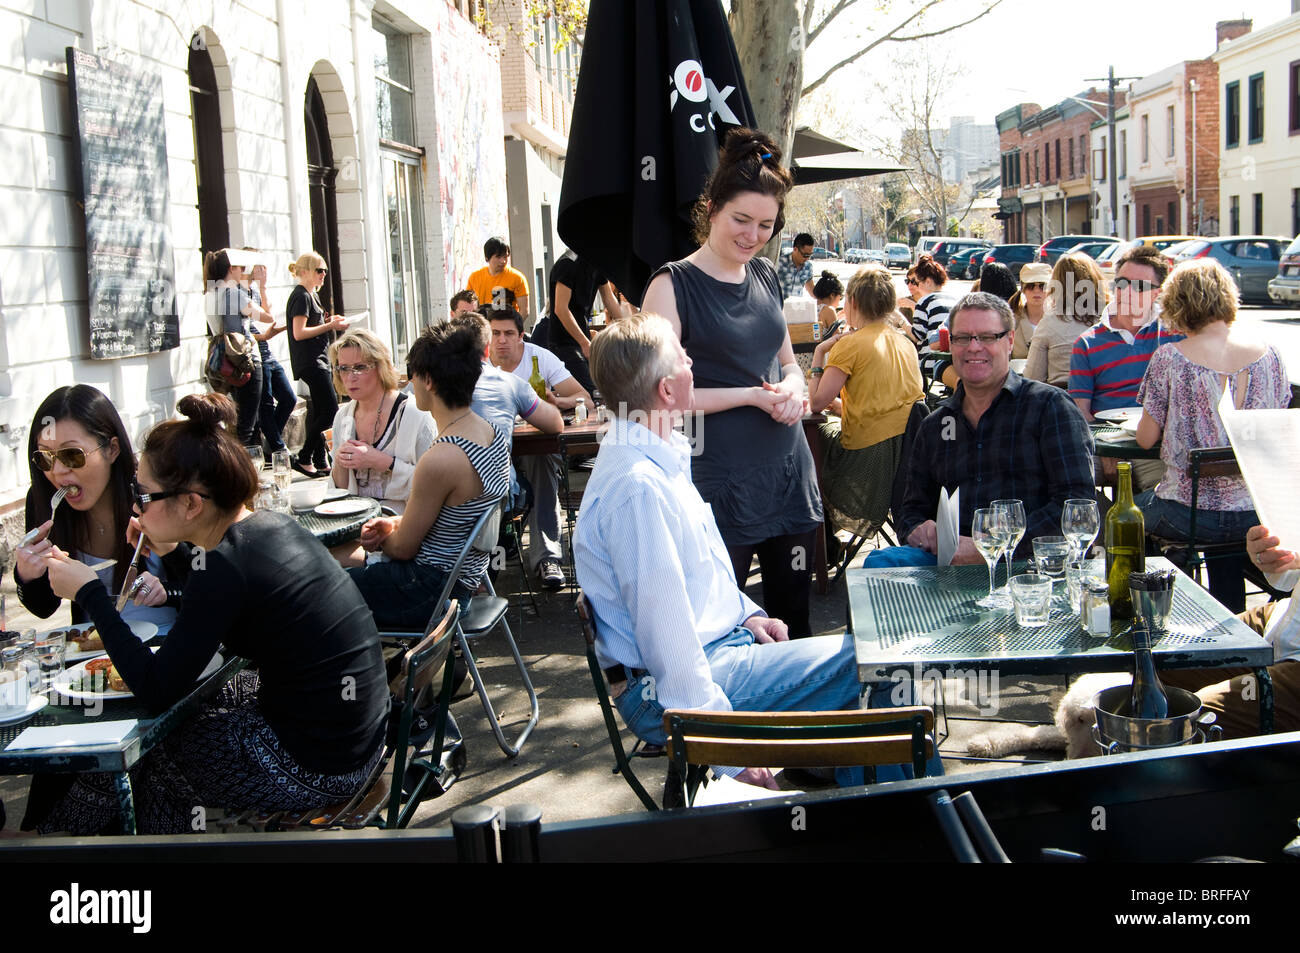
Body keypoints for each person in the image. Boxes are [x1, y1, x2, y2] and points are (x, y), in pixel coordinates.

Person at [37, 393, 388, 834]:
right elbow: (223, 602)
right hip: (360, 741)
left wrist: (90, 594)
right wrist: (175, 559)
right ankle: (62, 836)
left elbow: (154, 688)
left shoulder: (224, 564)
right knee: (203, 704)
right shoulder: (267, 527)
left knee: (152, 747)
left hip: (321, 768)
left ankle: (59, 841)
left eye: (142, 493)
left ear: (191, 504)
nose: (135, 505)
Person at [575, 312, 861, 792]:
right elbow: (665, 634)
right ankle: (918, 821)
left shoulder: (654, 455)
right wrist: (724, 746)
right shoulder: (637, 487)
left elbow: (700, 572)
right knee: (877, 666)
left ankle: (882, 809)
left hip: (707, 656)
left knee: (875, 675)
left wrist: (746, 615)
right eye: (682, 357)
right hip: (670, 688)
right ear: (667, 391)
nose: (691, 361)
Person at [641, 128, 823, 639]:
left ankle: (800, 719)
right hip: (719, 484)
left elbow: (787, 362)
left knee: (795, 626)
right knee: (723, 629)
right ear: (712, 208)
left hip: (788, 475)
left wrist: (791, 386)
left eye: (766, 225)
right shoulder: (670, 285)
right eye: (741, 219)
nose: (752, 235)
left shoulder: (765, 276)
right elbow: (660, 398)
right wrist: (749, 396)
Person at [869, 291, 1096, 567]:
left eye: (988, 337)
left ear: (1010, 341)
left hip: (1031, 566)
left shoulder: (1051, 409)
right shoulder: (934, 426)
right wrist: (920, 530)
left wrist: (990, 547)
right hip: (949, 566)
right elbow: (910, 510)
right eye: (963, 338)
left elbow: (1077, 507)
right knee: (879, 566)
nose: (974, 347)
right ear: (950, 345)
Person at [1134, 259, 1291, 612]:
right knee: (1228, 540)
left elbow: (1145, 440)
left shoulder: (1169, 358)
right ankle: (1231, 616)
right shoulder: (1271, 356)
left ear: (1177, 304)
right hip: (1256, 514)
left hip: (1186, 513)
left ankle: (1153, 608)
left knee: (1124, 514)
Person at [347, 320, 512, 629]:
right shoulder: (490, 434)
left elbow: (404, 549)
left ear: (429, 381)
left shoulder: (441, 458)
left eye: (413, 376)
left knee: (317, 590)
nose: (409, 385)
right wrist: (394, 523)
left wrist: (384, 540)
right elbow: (454, 518)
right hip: (460, 583)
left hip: (427, 592)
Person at [14, 386, 183, 637]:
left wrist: (166, 589)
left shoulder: (152, 494)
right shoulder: (43, 502)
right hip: (93, 655)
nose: (58, 471)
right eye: (46, 458)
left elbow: (204, 585)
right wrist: (26, 576)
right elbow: (44, 609)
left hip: (168, 646)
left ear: (112, 449)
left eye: (72, 455)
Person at [808, 266, 925, 539]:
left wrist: (819, 352)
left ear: (854, 303)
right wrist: (840, 407)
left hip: (866, 461)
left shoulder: (849, 345)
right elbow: (884, 403)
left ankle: (823, 538)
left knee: (809, 437)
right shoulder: (905, 343)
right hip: (904, 460)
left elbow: (815, 402)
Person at [1156, 525, 1300, 738]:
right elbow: (1286, 577)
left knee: (1198, 719)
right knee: (1159, 662)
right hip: (1283, 620)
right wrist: (1269, 554)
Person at [488, 307, 592, 588]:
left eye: (509, 333)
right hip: (493, 447)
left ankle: (548, 558)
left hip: (535, 442)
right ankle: (484, 559)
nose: (501, 340)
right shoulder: (479, 363)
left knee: (543, 461)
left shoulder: (539, 358)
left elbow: (586, 399)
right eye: (495, 333)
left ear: (521, 336)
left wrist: (556, 401)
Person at [1070, 243, 1182, 490]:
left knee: (1167, 491)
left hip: (1155, 447)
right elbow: (1081, 413)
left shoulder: (1175, 337)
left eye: (1140, 286)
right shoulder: (1087, 343)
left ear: (1157, 293)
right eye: (1121, 283)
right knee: (1071, 485)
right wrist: (1107, 451)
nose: (1127, 292)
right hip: (1105, 444)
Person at [329, 328, 435, 521]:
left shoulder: (415, 414)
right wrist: (340, 462)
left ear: (381, 367)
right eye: (343, 368)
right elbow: (339, 492)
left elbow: (434, 487)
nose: (350, 377)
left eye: (360, 367)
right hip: (355, 523)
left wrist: (382, 462)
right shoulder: (343, 417)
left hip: (406, 524)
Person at [286, 251, 348, 477]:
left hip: (319, 359)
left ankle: (320, 459)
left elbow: (312, 325)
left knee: (321, 409)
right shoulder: (301, 296)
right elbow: (299, 332)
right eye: (318, 270)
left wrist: (331, 322)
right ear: (304, 272)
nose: (323, 275)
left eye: (325, 271)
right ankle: (304, 457)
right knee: (331, 409)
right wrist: (329, 327)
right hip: (311, 362)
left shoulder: (312, 296)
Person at [205, 248, 275, 446]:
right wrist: (261, 287)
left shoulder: (211, 292)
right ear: (231, 268)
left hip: (224, 359)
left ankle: (245, 468)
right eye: (241, 267)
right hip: (245, 359)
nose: (244, 271)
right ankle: (240, 470)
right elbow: (267, 317)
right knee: (247, 425)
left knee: (237, 420)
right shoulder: (234, 293)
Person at [1023, 253, 1107, 388]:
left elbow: (1033, 377)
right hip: (1108, 400)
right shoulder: (1113, 318)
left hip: (1065, 400)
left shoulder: (1050, 322)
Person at [243, 255, 296, 463]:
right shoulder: (236, 294)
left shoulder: (253, 290)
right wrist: (263, 336)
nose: (262, 270)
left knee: (288, 398)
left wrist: (262, 287)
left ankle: (270, 443)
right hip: (254, 352)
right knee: (265, 404)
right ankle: (278, 448)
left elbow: (267, 315)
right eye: (257, 266)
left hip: (267, 351)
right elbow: (242, 331)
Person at [544, 250, 620, 394]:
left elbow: (609, 299)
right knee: (592, 392)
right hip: (563, 343)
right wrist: (584, 343)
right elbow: (561, 309)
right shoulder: (567, 264)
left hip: (583, 339)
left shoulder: (597, 263)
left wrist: (630, 328)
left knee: (600, 389)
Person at [466, 236, 529, 320]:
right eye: (498, 257)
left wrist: (510, 329)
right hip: (482, 328)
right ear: (487, 258)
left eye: (505, 257)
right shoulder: (474, 277)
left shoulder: (517, 278)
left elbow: (524, 311)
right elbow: (468, 306)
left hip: (506, 325)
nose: (503, 261)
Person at [905, 254, 957, 348]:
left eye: (916, 283)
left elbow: (917, 336)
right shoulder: (955, 300)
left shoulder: (924, 302)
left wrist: (900, 320)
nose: (916, 287)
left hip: (929, 359)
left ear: (928, 282)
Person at [1008, 262, 1050, 360]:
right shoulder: (1011, 322)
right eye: (1031, 286)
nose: (1036, 290)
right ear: (1023, 289)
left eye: (1042, 286)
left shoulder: (1060, 321)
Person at [777, 232, 816, 299]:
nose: (807, 258)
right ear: (795, 249)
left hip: (797, 307)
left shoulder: (808, 267)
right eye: (805, 255)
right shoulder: (780, 263)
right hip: (778, 307)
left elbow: (812, 291)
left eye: (810, 255)